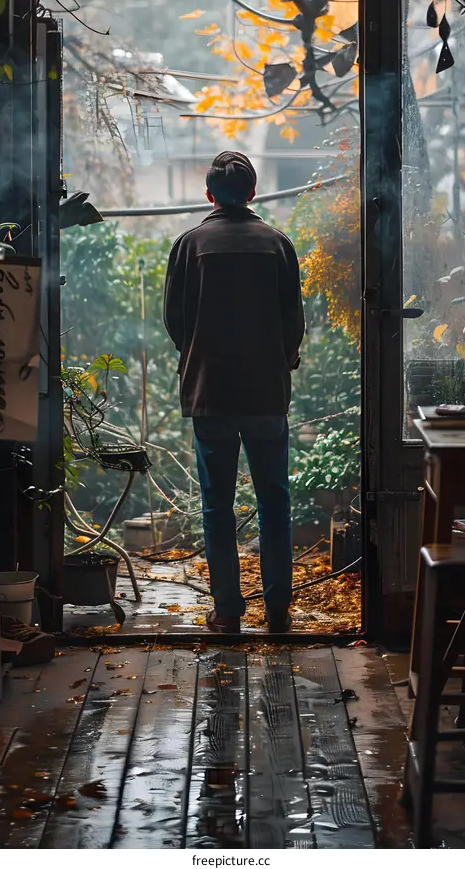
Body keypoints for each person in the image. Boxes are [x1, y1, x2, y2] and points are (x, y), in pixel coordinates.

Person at [163, 151, 305, 634]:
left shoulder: (189, 245)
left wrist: (199, 354)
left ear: (209, 196)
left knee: (216, 504)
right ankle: (279, 610)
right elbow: (293, 322)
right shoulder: (278, 245)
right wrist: (280, 358)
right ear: (252, 193)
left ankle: (227, 613)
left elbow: (175, 321)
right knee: (274, 502)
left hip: (211, 393)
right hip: (266, 393)